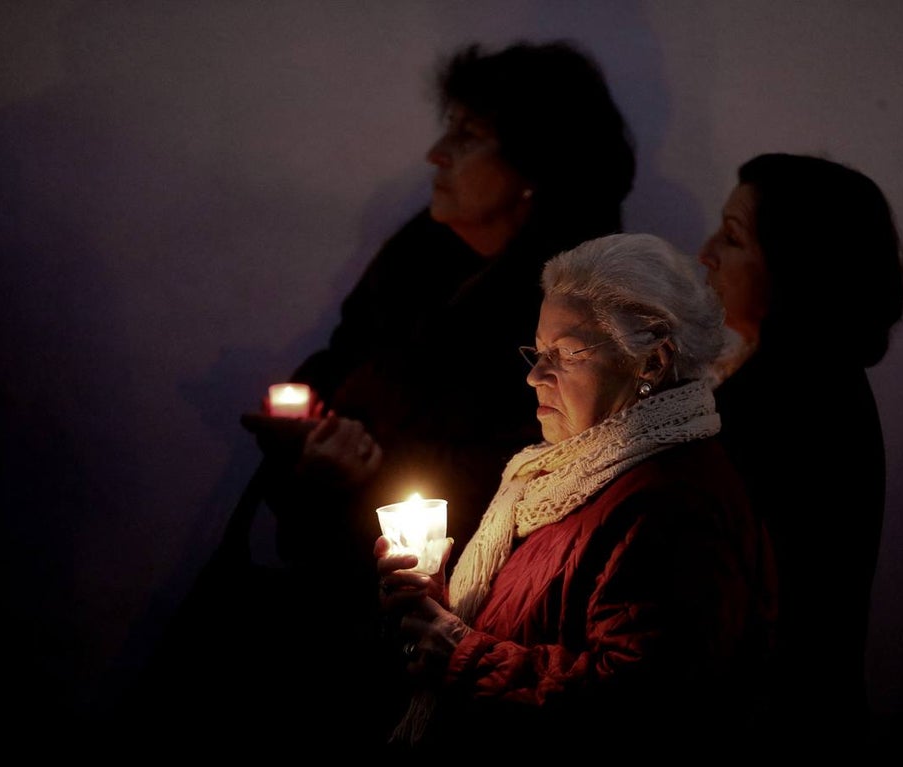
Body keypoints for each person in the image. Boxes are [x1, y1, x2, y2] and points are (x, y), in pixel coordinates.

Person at [123, 39, 635, 756]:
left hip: (424, 657)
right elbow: (337, 361)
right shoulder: (422, 251)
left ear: (534, 171)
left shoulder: (576, 323)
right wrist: (303, 433)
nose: (435, 154)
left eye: (465, 135)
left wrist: (369, 481)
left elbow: (525, 500)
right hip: (316, 591)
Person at [374, 232, 778, 759]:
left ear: (651, 363)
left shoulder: (672, 503)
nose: (535, 376)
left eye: (565, 354)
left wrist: (461, 651)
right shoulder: (567, 474)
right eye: (538, 352)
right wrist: (433, 606)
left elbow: (643, 704)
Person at [696, 153, 903, 757]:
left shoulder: (789, 404)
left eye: (733, 238)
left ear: (798, 270)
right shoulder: (795, 382)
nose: (706, 250)